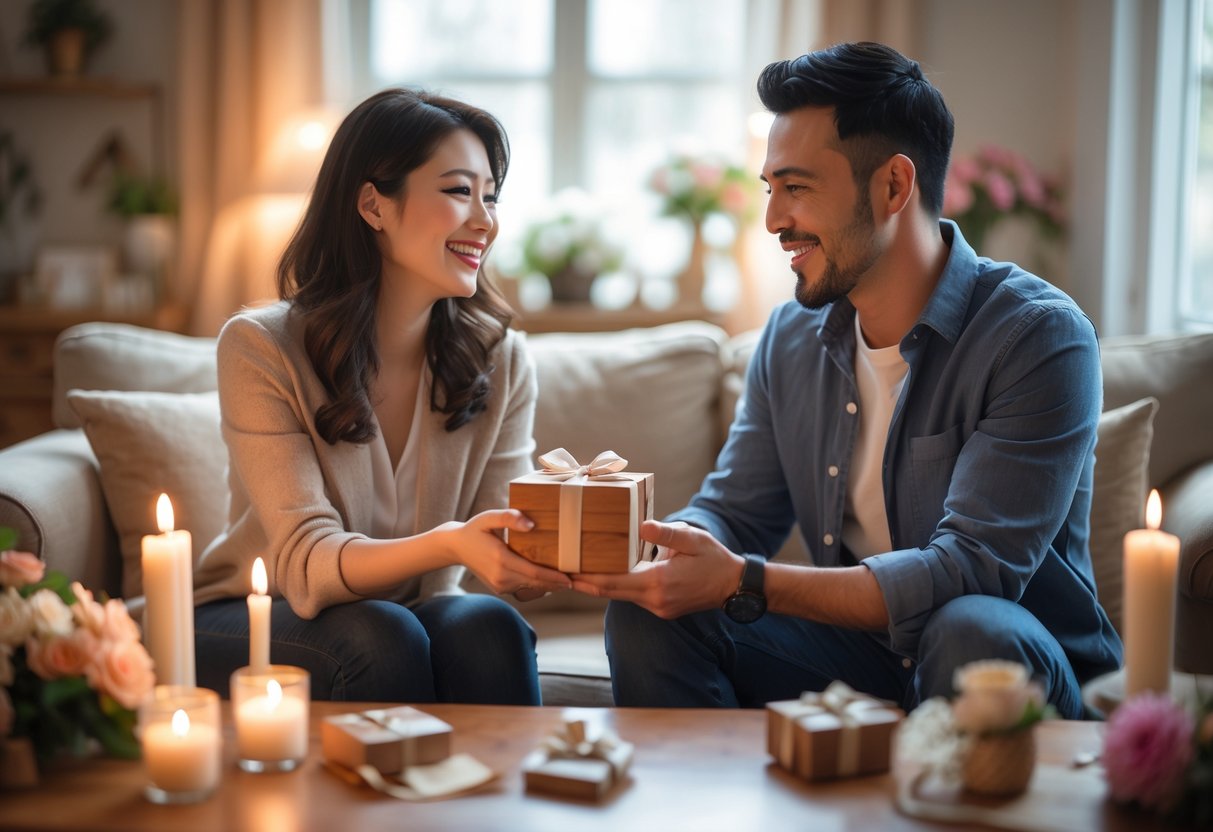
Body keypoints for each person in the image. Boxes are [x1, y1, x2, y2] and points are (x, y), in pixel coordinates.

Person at [573, 42, 1122, 718]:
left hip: (1007, 667)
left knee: (969, 628)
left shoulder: (1038, 337)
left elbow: (971, 570)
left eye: (797, 188)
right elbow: (735, 513)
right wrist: (658, 551)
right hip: (858, 658)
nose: (773, 220)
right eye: (770, 189)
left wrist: (745, 580)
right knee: (653, 615)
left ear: (893, 186)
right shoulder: (789, 338)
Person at [192, 89, 572, 702]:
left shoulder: (499, 358)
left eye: (491, 196)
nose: (485, 221)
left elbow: (506, 542)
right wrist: (451, 542)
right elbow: (307, 566)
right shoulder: (261, 347)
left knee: (488, 625)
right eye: (459, 191)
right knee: (381, 634)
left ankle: (506, 773)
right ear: (373, 204)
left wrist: (569, 544)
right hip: (255, 611)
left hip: (404, 616)